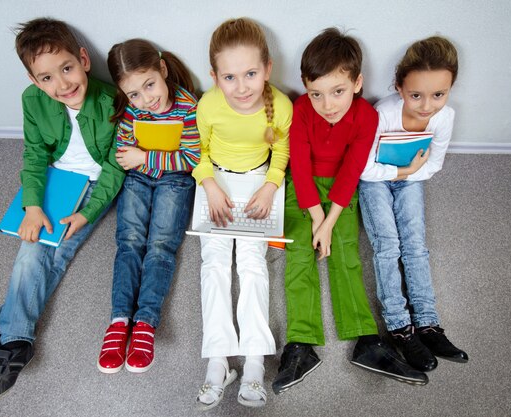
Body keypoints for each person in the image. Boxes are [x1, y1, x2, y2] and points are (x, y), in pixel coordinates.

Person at [0, 18, 125, 402]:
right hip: (55, 182)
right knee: (34, 243)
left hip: (93, 186)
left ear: (83, 60)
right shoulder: (32, 101)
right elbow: (35, 155)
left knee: (53, 251)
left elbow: (116, 167)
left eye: (67, 68)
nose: (62, 84)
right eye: (47, 78)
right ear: (36, 81)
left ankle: (4, 332)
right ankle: (14, 340)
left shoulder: (110, 100)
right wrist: (32, 206)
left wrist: (88, 213)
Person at [272, 28, 429, 395]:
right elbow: (300, 167)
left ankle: (365, 339)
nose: (327, 104)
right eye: (317, 94)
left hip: (343, 192)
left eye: (337, 91)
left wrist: (329, 223)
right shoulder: (300, 111)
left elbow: (351, 171)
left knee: (345, 253)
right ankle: (300, 343)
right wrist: (315, 219)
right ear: (305, 87)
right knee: (299, 255)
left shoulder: (365, 117)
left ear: (357, 83)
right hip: (304, 190)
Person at [193, 18, 291, 409]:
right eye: (230, 77)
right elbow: (196, 150)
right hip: (216, 179)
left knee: (252, 263)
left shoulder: (279, 105)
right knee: (213, 262)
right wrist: (209, 185)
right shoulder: (208, 104)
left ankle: (253, 362)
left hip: (257, 183)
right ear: (215, 76)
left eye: (250, 74)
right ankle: (218, 362)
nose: (242, 86)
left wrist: (270, 187)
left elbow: (280, 152)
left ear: (267, 69)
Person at [358, 36, 468, 372]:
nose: (426, 105)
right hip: (375, 180)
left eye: (438, 94)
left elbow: (434, 164)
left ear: (449, 90)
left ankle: (428, 323)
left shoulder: (444, 117)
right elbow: (364, 168)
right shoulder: (383, 113)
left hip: (412, 179)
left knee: (416, 246)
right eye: (416, 94)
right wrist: (402, 170)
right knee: (388, 246)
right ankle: (399, 327)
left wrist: (409, 177)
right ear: (399, 87)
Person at [96, 39, 200, 374]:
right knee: (128, 242)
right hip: (139, 179)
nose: (146, 99)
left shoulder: (188, 107)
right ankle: (118, 320)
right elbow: (123, 154)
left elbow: (191, 159)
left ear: (163, 70)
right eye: (134, 94)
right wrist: (140, 160)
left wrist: (146, 158)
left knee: (160, 246)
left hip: (176, 181)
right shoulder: (132, 109)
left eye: (150, 85)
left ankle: (145, 322)